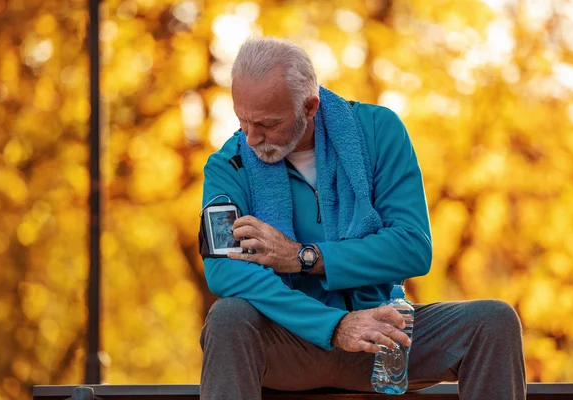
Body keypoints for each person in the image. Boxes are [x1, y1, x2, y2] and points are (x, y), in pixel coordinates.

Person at [199, 37, 526, 400]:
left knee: (494, 322)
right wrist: (334, 326)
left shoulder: (378, 131)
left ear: (309, 106)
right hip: (288, 342)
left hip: (384, 337)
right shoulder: (228, 164)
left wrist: (303, 257)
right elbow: (225, 271)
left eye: (268, 123)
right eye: (242, 118)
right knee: (227, 317)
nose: (251, 136)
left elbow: (412, 247)